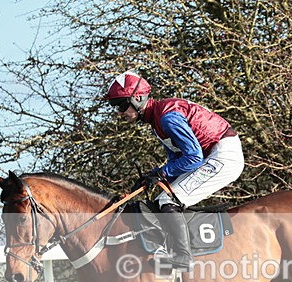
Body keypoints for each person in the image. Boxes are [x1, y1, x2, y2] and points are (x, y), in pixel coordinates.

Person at [105, 70, 245, 271]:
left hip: (223, 155)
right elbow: (178, 160)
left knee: (168, 200)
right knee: (165, 195)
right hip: (213, 153)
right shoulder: (157, 120)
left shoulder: (167, 118)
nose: (118, 113)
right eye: (114, 106)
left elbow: (194, 157)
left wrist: (161, 173)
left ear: (137, 98)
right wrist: (153, 178)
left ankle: (183, 256)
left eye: (120, 105)